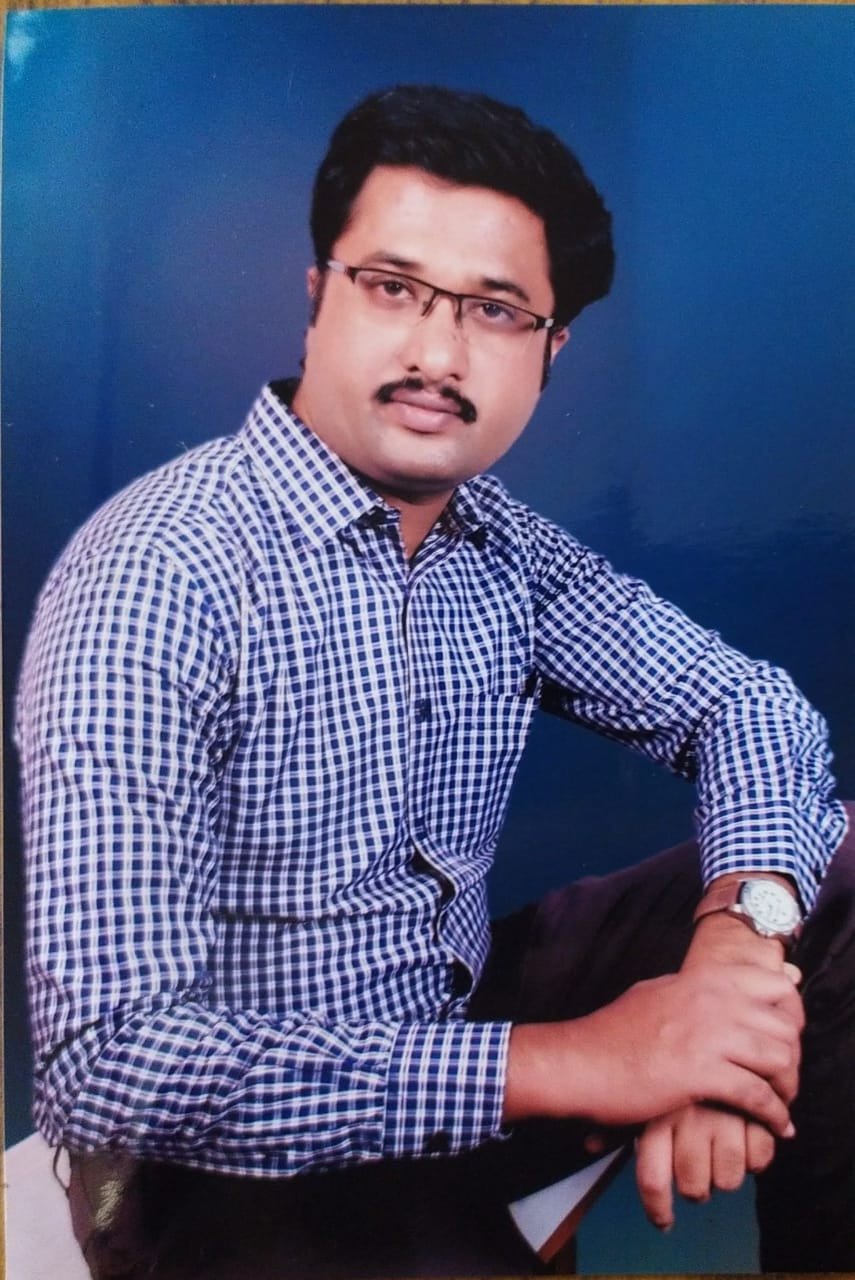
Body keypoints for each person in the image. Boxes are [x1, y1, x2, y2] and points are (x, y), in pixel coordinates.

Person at [16, 85, 853, 1279]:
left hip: (449, 1015)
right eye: (393, 286)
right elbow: (113, 1066)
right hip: (219, 1149)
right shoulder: (159, 573)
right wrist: (593, 1057)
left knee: (837, 865)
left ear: (552, 352)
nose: (436, 354)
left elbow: (748, 704)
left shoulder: (498, 545)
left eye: (496, 311)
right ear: (318, 292)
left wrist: (733, 966)